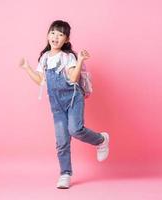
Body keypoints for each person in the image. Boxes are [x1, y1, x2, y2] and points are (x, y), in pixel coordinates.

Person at [19, 20, 109, 189]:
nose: (56, 37)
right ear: (47, 35)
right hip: (56, 105)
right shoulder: (45, 58)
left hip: (74, 98)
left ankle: (101, 140)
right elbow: (40, 81)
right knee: (62, 141)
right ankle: (65, 173)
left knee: (75, 130)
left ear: (66, 40)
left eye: (61, 34)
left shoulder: (67, 57)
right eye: (53, 32)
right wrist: (26, 68)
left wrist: (80, 59)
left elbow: (73, 78)